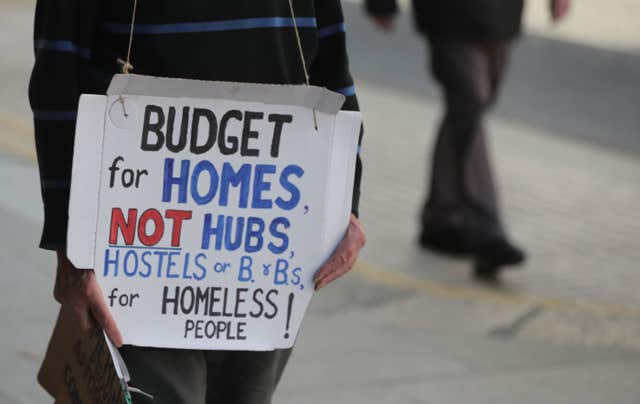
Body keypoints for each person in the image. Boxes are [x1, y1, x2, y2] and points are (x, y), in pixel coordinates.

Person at [29, 1, 365, 402]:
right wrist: (73, 245)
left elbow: (332, 67)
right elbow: (58, 78)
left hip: (269, 237)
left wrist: (346, 200)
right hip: (137, 240)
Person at [365, 0, 570, 279]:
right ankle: (485, 227)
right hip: (447, 14)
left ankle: (441, 218)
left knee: (468, 111)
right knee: (470, 100)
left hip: (501, 15)